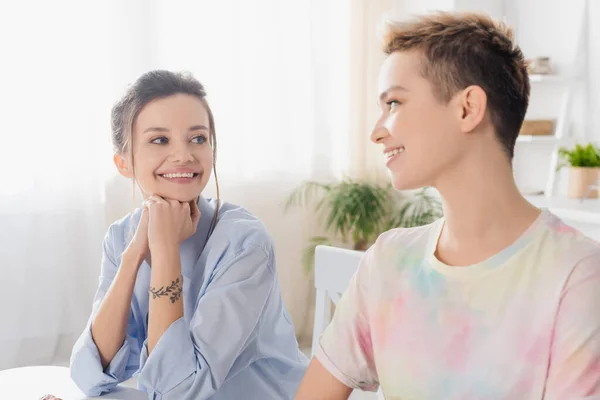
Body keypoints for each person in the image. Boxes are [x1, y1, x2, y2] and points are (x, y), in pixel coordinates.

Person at [295, 11, 600, 400]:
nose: (376, 131)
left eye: (393, 102)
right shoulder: (388, 260)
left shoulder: (577, 276)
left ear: (467, 108)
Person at [70, 70, 308, 399]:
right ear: (124, 163)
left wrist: (165, 249)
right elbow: (90, 371)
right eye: (160, 140)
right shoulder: (122, 236)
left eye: (198, 138)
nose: (184, 155)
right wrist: (133, 256)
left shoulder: (245, 244)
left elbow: (178, 392)